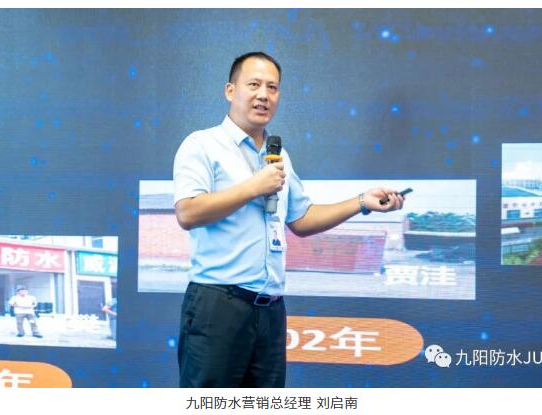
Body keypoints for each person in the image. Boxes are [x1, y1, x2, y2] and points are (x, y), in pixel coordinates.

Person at [173, 51, 405, 387]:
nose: (263, 95)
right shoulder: (202, 145)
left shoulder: (279, 155)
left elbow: (302, 218)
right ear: (230, 90)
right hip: (218, 306)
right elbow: (188, 211)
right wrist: (254, 187)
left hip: (270, 310)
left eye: (272, 87)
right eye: (254, 85)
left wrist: (361, 203)